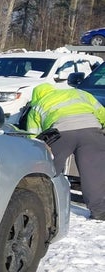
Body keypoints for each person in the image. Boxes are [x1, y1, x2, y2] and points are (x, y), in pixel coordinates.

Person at [25, 82, 105, 220]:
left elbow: (33, 136)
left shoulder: (38, 105)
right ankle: (99, 211)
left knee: (49, 169)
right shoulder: (80, 94)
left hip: (61, 133)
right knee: (93, 173)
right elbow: (102, 113)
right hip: (91, 130)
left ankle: (44, 207)